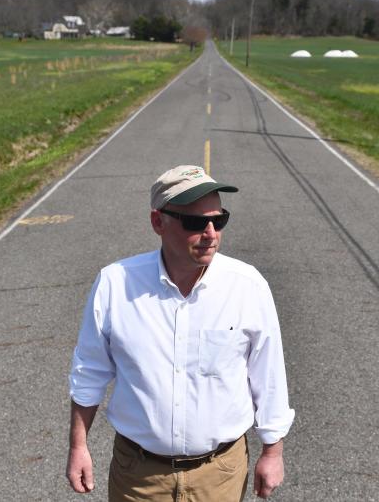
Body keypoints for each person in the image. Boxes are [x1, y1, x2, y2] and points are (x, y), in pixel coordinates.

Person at [66, 165, 295, 501]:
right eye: (194, 222)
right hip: (138, 476)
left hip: (220, 474)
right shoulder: (115, 284)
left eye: (219, 220)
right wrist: (78, 446)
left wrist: (272, 452)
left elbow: (268, 374)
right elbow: (89, 372)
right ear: (158, 222)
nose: (211, 232)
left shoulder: (248, 287)